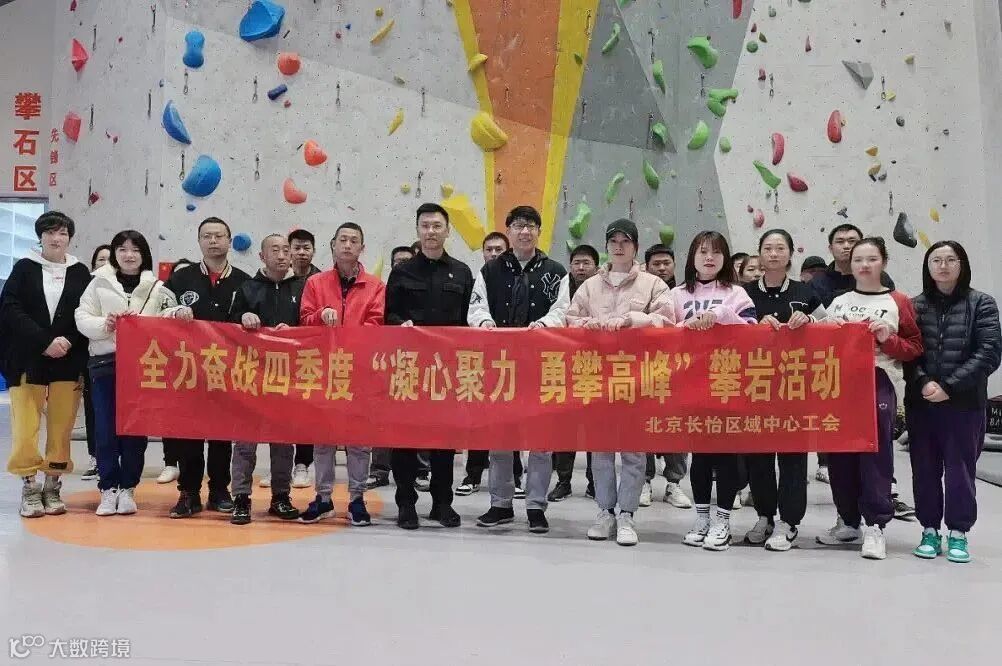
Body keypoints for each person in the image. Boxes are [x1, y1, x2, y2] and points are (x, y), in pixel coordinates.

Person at [566, 219, 675, 546]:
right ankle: (605, 511)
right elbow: (570, 319)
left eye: (625, 241)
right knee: (599, 450)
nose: (618, 246)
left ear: (635, 247)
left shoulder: (653, 284)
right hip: (597, 377)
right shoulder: (589, 286)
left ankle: (627, 514)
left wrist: (632, 320)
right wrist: (589, 324)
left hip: (636, 378)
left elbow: (667, 320)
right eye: (613, 241)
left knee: (633, 451)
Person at [817, 237, 922, 560]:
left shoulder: (898, 301)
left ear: (883, 262)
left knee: (874, 454)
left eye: (872, 259)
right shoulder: (839, 302)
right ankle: (848, 521)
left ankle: (876, 525)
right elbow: (820, 344)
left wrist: (887, 339)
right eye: (858, 259)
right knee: (839, 454)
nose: (864, 265)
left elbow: (914, 348)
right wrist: (823, 328)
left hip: (877, 382)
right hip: (839, 384)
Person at [468, 205, 567, 534]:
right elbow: (477, 306)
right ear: (509, 231)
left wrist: (544, 325)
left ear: (539, 231)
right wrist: (485, 322)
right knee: (500, 439)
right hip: (501, 367)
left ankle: (536, 506)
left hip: (542, 365)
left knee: (541, 441)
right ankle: (500, 503)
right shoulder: (490, 270)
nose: (525, 232)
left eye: (531, 226)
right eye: (518, 225)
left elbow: (563, 310)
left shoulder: (556, 271)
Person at [905, 241, 1001, 563]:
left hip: (964, 405)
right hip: (922, 404)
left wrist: (949, 386)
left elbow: (989, 353)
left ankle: (958, 532)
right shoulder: (914, 306)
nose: (943, 266)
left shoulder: (981, 304)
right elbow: (908, 353)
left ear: (962, 265)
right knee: (924, 469)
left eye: (950, 259)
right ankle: (929, 530)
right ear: (928, 266)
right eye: (936, 260)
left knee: (960, 470)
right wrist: (923, 382)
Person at [385, 204, 475, 529]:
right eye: (425, 226)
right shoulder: (402, 272)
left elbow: (469, 320)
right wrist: (401, 325)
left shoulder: (462, 272)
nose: (431, 231)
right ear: (418, 230)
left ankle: (442, 503)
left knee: (443, 440)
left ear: (447, 231)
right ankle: (406, 504)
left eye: (437, 226)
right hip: (409, 368)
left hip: (447, 370)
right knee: (404, 438)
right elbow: (389, 315)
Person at [75, 230, 177, 516]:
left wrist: (171, 314)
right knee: (105, 428)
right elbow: (81, 317)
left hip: (144, 366)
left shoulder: (157, 286)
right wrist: (104, 324)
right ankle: (108, 489)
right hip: (104, 364)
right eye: (122, 249)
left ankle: (128, 487)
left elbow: (168, 316)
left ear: (144, 254)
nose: (129, 255)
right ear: (115, 253)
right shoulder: (98, 283)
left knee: (135, 429)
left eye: (135, 250)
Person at [1, 212, 90, 518]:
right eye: (50, 232)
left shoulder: (80, 272)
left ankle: (52, 485)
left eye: (62, 233)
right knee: (25, 426)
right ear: (40, 237)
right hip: (28, 359)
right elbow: (10, 309)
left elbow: (86, 312)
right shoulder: (24, 268)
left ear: (69, 238)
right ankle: (29, 486)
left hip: (68, 360)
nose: (56, 238)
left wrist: (67, 341)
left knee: (61, 426)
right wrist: (44, 341)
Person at [672, 231, 757, 551]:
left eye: (716, 252)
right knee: (700, 457)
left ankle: (723, 522)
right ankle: (702, 518)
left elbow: (753, 332)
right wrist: (687, 326)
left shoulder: (736, 293)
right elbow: (662, 333)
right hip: (692, 386)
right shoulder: (678, 294)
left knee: (726, 457)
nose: (709, 258)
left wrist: (722, 315)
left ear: (725, 258)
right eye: (703, 251)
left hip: (727, 384)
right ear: (692, 256)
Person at [743, 230, 826, 551]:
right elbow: (732, 330)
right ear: (759, 254)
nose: (774, 254)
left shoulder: (806, 292)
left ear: (790, 254)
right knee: (758, 456)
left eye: (780, 248)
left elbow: (831, 327)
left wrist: (810, 322)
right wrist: (754, 326)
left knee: (792, 457)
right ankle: (765, 516)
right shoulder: (745, 293)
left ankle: (789, 522)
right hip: (757, 386)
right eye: (768, 248)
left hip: (795, 387)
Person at [298, 222, 385, 525]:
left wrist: (352, 339)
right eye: (343, 240)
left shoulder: (375, 286)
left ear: (362, 248)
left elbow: (377, 323)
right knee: (323, 439)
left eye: (354, 241)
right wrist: (320, 316)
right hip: (323, 369)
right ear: (333, 245)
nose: (348, 245)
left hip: (359, 371)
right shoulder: (315, 283)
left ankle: (357, 498)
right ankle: (323, 498)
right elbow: (304, 320)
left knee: (359, 441)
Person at [163, 218, 250, 518]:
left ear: (229, 241)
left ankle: (219, 490)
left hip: (226, 371)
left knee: (222, 434)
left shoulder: (244, 281)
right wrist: (175, 311)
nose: (213, 241)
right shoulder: (180, 279)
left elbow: (253, 317)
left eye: (219, 236)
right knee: (188, 433)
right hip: (187, 370)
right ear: (199, 241)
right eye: (207, 236)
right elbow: (160, 311)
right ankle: (188, 492)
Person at [228, 235, 306, 525]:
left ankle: (281, 496)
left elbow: (310, 326)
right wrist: (244, 317)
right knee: (245, 442)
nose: (283, 255)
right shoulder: (246, 288)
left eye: (286, 250)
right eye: (275, 250)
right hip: (251, 377)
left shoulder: (302, 288)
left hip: (286, 377)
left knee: (283, 442)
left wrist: (294, 331)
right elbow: (227, 328)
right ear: (262, 256)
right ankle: (241, 498)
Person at [455, 231, 518, 496]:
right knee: (479, 419)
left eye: (498, 249)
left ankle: (516, 476)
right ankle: (472, 475)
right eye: (488, 249)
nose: (493, 254)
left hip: (511, 360)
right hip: (479, 360)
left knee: (512, 419)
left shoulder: (517, 278)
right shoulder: (476, 280)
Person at [640, 244, 692, 509]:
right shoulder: (640, 292)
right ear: (646, 266)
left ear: (674, 265)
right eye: (656, 264)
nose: (661, 268)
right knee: (645, 425)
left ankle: (674, 483)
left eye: (666, 263)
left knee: (676, 426)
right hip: (645, 369)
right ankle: (645, 481)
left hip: (679, 370)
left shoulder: (684, 293)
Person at [547, 244, 600, 502]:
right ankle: (563, 481)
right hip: (564, 364)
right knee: (564, 426)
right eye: (576, 263)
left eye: (586, 263)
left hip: (595, 366)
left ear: (596, 267)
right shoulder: (561, 287)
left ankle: (594, 481)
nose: (580, 267)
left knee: (593, 428)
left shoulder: (603, 287)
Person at [274, 228, 323, 491]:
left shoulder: (321, 280)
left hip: (309, 357)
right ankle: (279, 468)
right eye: (296, 248)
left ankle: (302, 464)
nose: (301, 252)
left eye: (306, 248)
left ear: (314, 251)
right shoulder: (280, 279)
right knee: (281, 413)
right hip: (281, 357)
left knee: (306, 414)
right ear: (289, 251)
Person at [155, 257, 193, 486]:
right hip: (171, 360)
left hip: (199, 362)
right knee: (170, 414)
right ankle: (170, 463)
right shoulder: (164, 296)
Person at [80, 244, 112, 481]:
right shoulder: (88, 289)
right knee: (95, 412)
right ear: (93, 265)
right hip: (91, 360)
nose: (106, 264)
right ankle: (95, 457)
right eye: (101, 259)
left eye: (110, 259)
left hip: (121, 360)